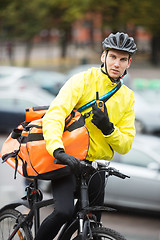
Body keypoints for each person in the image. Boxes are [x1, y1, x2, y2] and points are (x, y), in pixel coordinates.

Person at [35, 32, 137, 240]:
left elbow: (125, 145)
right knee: (63, 212)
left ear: (129, 63)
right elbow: (54, 115)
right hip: (68, 160)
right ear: (103, 56)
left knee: (91, 222)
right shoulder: (82, 80)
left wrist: (108, 128)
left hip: (96, 166)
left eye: (122, 59)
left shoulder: (127, 97)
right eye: (112, 57)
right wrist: (58, 150)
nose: (116, 63)